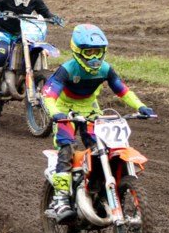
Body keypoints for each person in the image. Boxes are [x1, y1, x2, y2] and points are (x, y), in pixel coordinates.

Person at [41, 24, 155, 222]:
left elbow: (123, 91)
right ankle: (60, 199)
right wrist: (55, 113)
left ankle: (99, 189)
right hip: (66, 112)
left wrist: (141, 106)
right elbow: (48, 95)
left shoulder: (105, 69)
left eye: (98, 52)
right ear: (78, 51)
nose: (94, 58)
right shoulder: (67, 69)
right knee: (67, 148)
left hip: (91, 111)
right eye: (89, 52)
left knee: (102, 148)